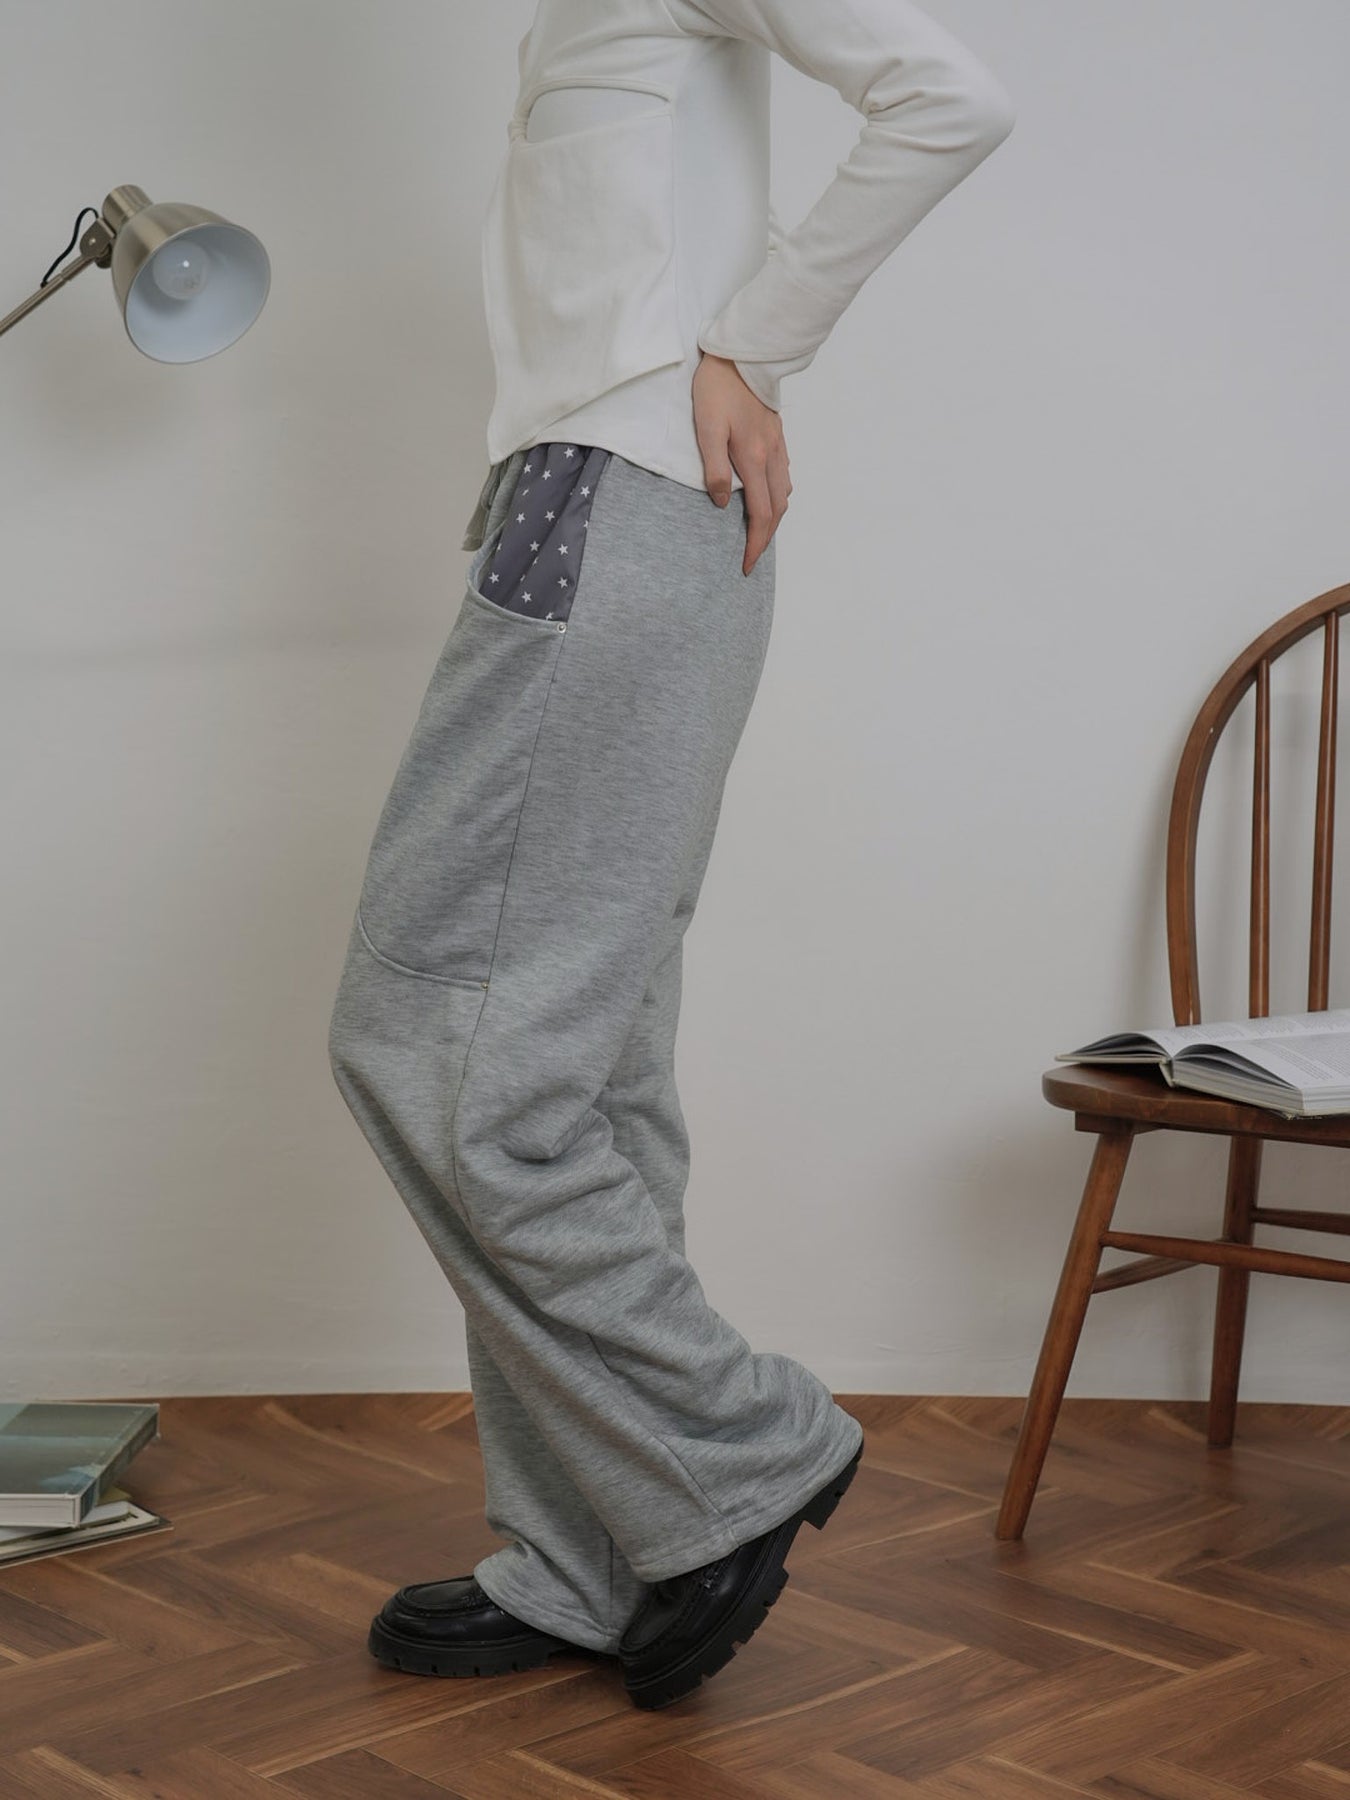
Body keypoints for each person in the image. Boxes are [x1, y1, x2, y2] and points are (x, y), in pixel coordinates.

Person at [328, 0, 1015, 1711]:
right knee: (587, 1068)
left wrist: (751, 346)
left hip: (611, 510)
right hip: (614, 519)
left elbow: (947, 94)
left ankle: (733, 1448)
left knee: (434, 1044)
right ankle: (599, 1556)